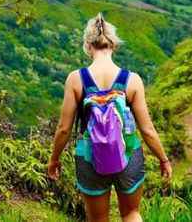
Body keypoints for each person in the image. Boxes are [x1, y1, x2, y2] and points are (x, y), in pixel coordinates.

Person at [47, 14, 172, 222]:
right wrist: (163, 159)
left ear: (88, 45)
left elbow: (63, 129)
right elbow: (147, 129)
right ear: (113, 45)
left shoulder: (76, 79)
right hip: (129, 154)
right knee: (131, 213)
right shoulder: (132, 80)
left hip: (90, 157)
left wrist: (54, 159)